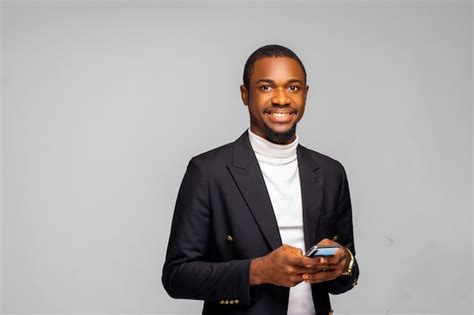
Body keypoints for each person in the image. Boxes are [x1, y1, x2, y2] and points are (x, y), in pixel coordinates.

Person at [162, 44, 359, 315]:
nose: (281, 99)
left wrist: (343, 262)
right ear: (245, 94)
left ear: (306, 94)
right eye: (266, 87)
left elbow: (343, 276)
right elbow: (176, 276)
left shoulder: (330, 172)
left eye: (293, 87)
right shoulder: (208, 171)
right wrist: (258, 271)